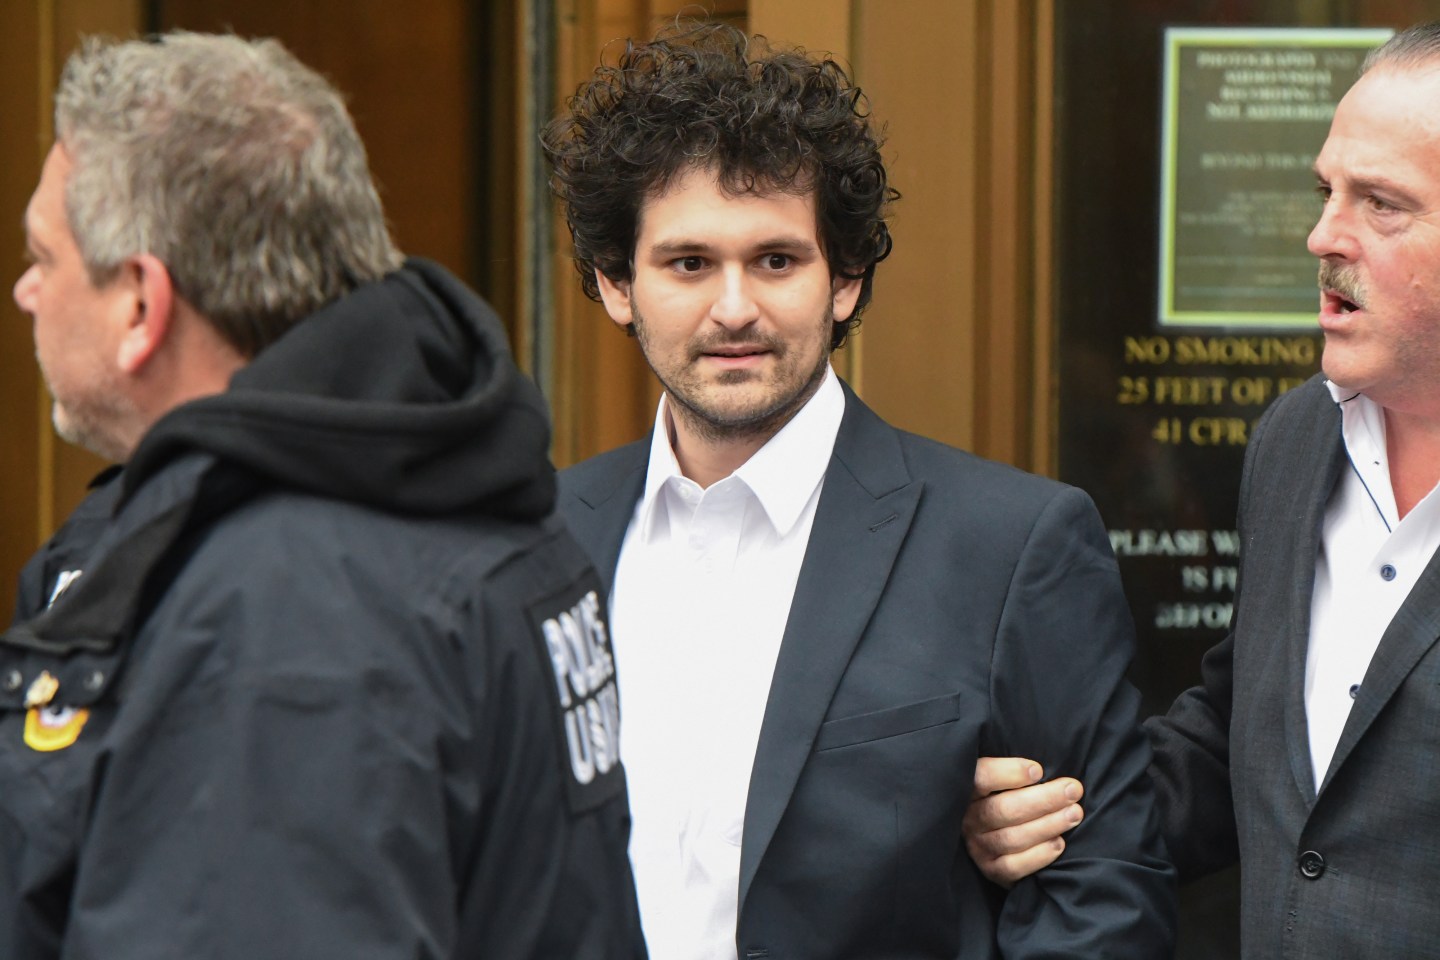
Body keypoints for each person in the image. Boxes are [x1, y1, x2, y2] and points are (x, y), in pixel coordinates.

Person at [2, 32, 643, 959]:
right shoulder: (469, 496)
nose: (26, 291)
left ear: (141, 303)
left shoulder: (280, 607)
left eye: (44, 255)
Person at [542, 21, 1176, 959]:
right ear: (615, 284)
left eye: (776, 260)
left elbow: (1103, 903)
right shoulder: (542, 538)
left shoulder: (1010, 546)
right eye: (688, 263)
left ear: (844, 280)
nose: (733, 308)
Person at [965, 20, 1440, 958]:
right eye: (1327, 192)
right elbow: (1240, 741)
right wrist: (1055, 812)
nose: (1322, 236)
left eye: (1381, 203)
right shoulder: (1298, 440)